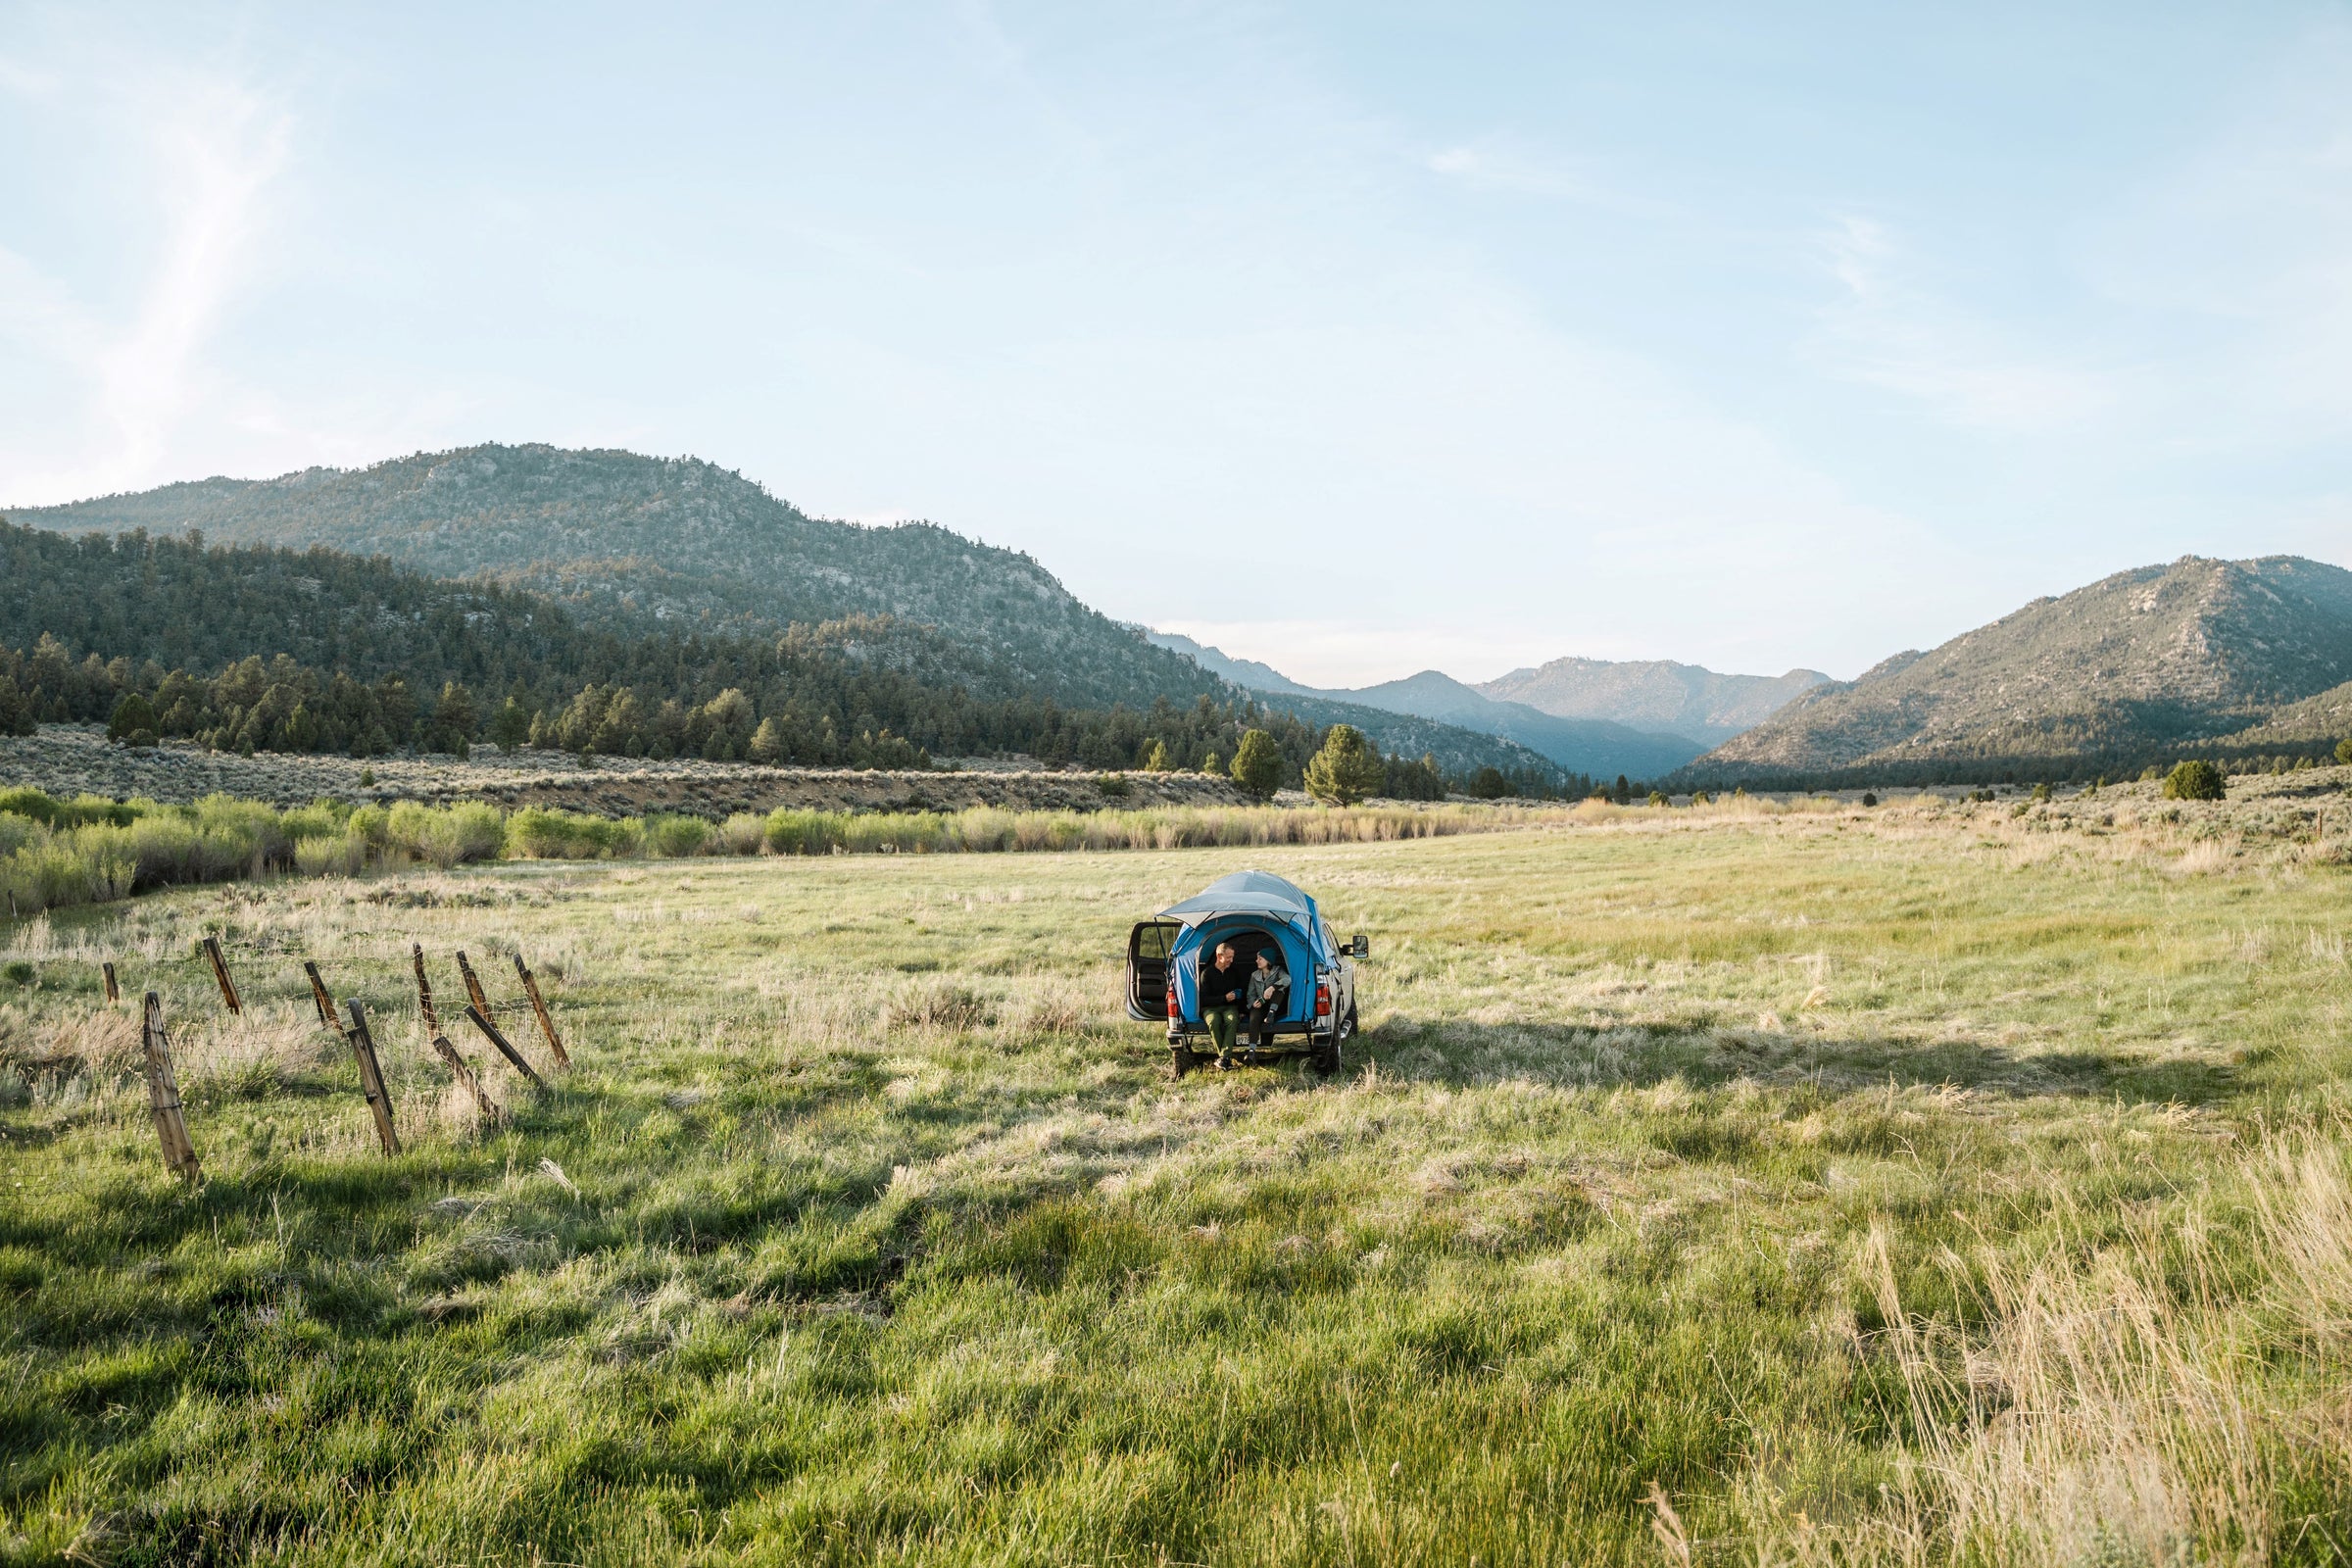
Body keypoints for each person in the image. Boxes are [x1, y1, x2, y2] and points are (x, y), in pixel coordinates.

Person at [1200, 942, 1248, 1069]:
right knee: (1213, 1021)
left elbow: (1241, 992)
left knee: (1232, 1019)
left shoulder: (1234, 972)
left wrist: (1242, 1009)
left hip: (1230, 1007)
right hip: (1210, 1008)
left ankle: (1224, 1058)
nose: (1231, 960)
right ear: (1219, 956)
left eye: (1232, 957)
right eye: (1228, 957)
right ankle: (1224, 1057)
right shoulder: (1207, 973)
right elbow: (1204, 999)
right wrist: (1224, 998)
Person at [1244, 948, 1290, 1063]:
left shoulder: (1278, 970)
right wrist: (1253, 1003)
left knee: (1279, 991)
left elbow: (1287, 979)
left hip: (1276, 1004)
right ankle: (1251, 1051)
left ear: (1268, 961)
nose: (1257, 961)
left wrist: (1272, 987)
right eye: (1257, 958)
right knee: (1254, 1018)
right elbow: (1250, 994)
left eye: (1260, 958)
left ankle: (1271, 1014)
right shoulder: (1254, 975)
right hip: (1261, 1003)